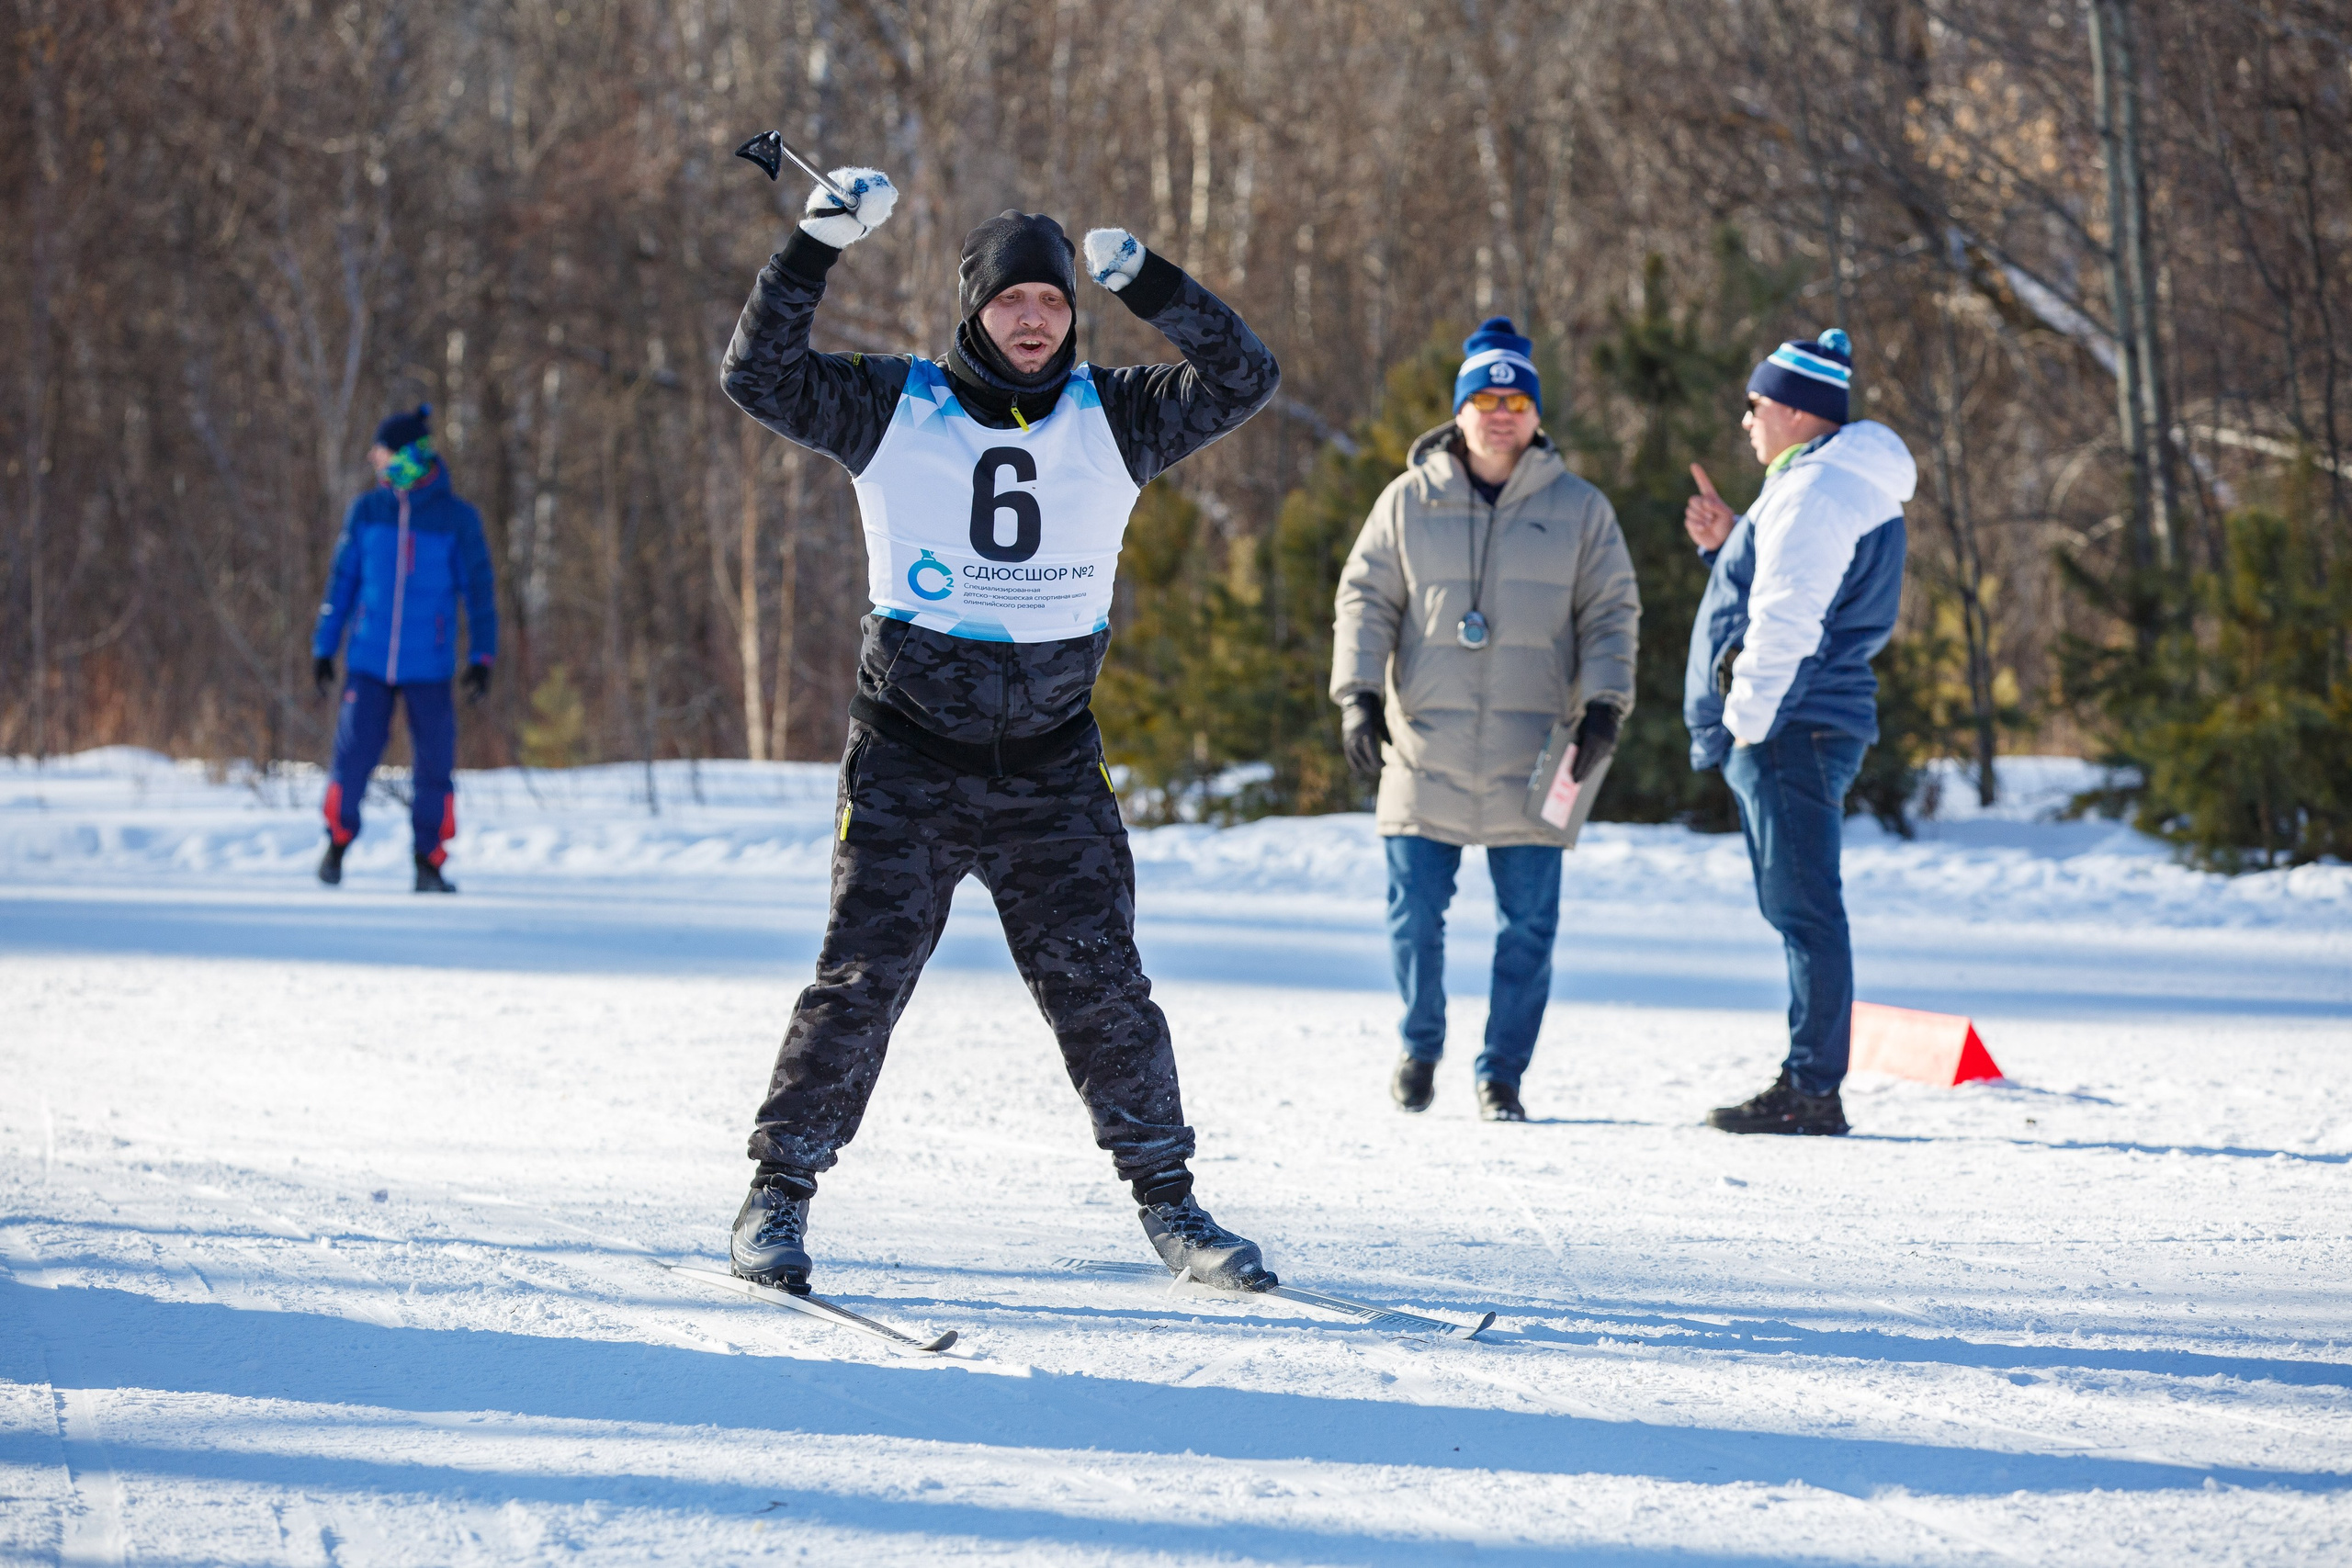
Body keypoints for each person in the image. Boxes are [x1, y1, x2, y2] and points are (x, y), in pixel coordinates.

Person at [718, 166, 1281, 1294]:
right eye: (1013, 301)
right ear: (973, 310)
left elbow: (1244, 378)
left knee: (1102, 984)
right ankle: (777, 1196)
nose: (1036, 319)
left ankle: (1172, 1208)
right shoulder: (895, 402)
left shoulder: (1115, 414)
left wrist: (1155, 283)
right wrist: (813, 248)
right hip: (908, 759)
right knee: (861, 978)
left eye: (1056, 301)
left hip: (1052, 770)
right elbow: (758, 376)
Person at [1329, 319, 1639, 1123]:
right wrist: (1357, 694)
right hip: (1422, 743)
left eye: (1516, 399)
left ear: (1535, 414)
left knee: (1529, 925)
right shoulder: (1406, 500)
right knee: (1412, 915)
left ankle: (1502, 1071)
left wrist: (1606, 702)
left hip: (1540, 749)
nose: (1501, 413)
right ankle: (1420, 1043)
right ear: (1459, 411)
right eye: (1485, 399)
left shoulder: (1581, 508)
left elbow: (1612, 612)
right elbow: (1365, 598)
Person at [1681, 329, 1916, 1134]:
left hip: (1791, 727)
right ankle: (1808, 1077)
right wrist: (1730, 545)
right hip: (1806, 722)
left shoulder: (1815, 494)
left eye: (1752, 405)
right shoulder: (1825, 485)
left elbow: (1786, 623)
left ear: (1789, 406)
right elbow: (1789, 587)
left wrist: (1742, 724)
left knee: (1806, 910)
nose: (1745, 421)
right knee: (1803, 908)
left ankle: (1812, 1088)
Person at [310, 404, 497, 894]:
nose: (376, 459)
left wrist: (482, 658)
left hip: (429, 667)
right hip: (368, 662)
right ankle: (336, 845)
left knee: (435, 766)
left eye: (384, 451)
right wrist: (324, 648)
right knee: (351, 760)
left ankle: (428, 862)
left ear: (409, 456)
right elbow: (342, 582)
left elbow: (478, 593)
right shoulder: (367, 512)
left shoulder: (458, 520)